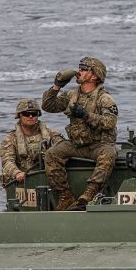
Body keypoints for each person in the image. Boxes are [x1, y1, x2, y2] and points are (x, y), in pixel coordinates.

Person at [42, 57, 118, 210]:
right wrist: (57, 86)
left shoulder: (105, 99)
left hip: (98, 145)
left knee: (109, 154)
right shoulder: (72, 95)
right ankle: (65, 196)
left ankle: (89, 193)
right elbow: (48, 106)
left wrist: (86, 115)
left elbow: (110, 122)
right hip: (76, 144)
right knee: (52, 154)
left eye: (84, 69)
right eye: (79, 68)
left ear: (94, 75)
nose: (79, 72)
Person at [0, 99, 64, 185]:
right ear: (19, 116)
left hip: (47, 177)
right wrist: (17, 173)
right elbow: (7, 161)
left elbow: (63, 149)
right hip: (22, 181)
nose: (30, 116)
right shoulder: (10, 139)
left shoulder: (51, 135)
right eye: (26, 114)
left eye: (34, 114)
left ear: (37, 115)